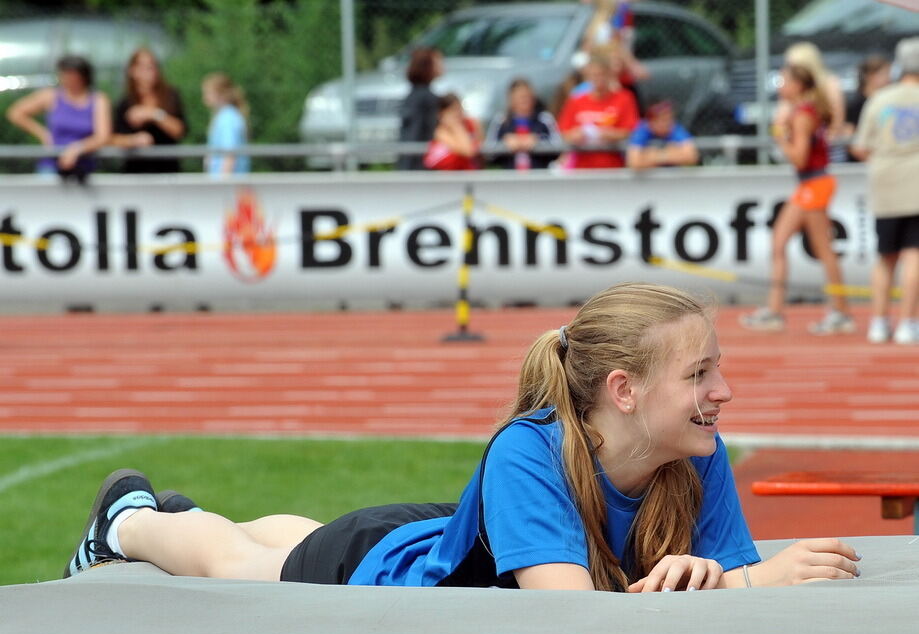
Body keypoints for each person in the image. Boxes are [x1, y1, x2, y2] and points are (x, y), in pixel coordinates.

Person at [64, 283, 862, 592]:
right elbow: (569, 620)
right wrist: (737, 584)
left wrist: (721, 577)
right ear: (623, 390)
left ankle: (169, 511)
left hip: (425, 535)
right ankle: (127, 521)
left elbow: (722, 571)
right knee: (244, 564)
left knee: (302, 533)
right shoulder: (529, 451)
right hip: (378, 579)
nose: (721, 393)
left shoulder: (696, 449)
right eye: (698, 375)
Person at [741, 65, 854, 335]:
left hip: (815, 183)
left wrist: (780, 136)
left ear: (799, 86)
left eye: (785, 81)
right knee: (779, 242)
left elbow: (799, 157)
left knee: (822, 249)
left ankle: (840, 312)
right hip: (810, 183)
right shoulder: (804, 111)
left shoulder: (802, 114)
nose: (780, 86)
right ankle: (776, 311)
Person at [851, 38, 919, 345]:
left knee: (885, 256)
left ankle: (878, 322)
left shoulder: (880, 99)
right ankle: (908, 323)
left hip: (886, 182)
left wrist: (885, 157)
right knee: (914, 255)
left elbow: (860, 146)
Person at [6, 55, 111, 182]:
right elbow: (15, 112)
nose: (68, 79)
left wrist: (77, 149)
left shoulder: (98, 100)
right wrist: (43, 134)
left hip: (84, 169)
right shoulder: (51, 95)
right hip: (51, 166)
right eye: (65, 74)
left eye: (72, 74)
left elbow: (102, 136)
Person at [111, 47, 187, 173]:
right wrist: (133, 140)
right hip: (135, 171)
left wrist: (154, 114)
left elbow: (180, 130)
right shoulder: (125, 102)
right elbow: (112, 138)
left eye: (152, 66)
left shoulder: (170, 96)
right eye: (143, 67)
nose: (148, 72)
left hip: (167, 170)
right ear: (132, 70)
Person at [557, 53, 639, 169]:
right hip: (582, 166)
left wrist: (604, 133)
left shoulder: (624, 98)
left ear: (609, 75)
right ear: (588, 76)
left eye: (602, 74)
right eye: (594, 75)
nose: (598, 79)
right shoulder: (576, 101)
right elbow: (564, 133)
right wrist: (577, 135)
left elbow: (629, 131)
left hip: (613, 165)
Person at [777, 42, 847, 163]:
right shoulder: (793, 99)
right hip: (806, 156)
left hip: (826, 155)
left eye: (793, 66)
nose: (789, 71)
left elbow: (836, 123)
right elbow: (779, 124)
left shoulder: (829, 86)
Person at [485, 79, 561, 170]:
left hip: (538, 176)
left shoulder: (544, 119)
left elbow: (559, 146)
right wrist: (504, 143)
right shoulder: (501, 121)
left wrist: (538, 140)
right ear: (511, 99)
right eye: (520, 97)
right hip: (510, 177)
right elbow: (488, 152)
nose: (524, 100)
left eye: (526, 96)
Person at [396, 47, 443, 171]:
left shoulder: (414, 95)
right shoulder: (426, 98)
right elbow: (417, 133)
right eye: (438, 62)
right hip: (420, 164)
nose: (442, 66)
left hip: (411, 162)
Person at [626, 100, 698, 170]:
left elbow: (692, 157)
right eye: (662, 120)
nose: (666, 123)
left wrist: (656, 156)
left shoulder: (675, 128)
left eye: (668, 119)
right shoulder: (642, 129)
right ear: (651, 121)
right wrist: (672, 154)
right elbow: (633, 162)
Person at [201, 72, 249, 177]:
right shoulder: (224, 116)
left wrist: (224, 183)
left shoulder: (228, 118)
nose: (204, 97)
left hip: (228, 185)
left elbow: (230, 155)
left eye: (208, 93)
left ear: (220, 94)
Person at [423, 94, 480, 171]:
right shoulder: (440, 132)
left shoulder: (470, 125)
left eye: (459, 110)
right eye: (453, 111)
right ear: (441, 114)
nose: (458, 114)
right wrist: (456, 127)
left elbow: (478, 144)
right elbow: (467, 150)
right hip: (448, 178)